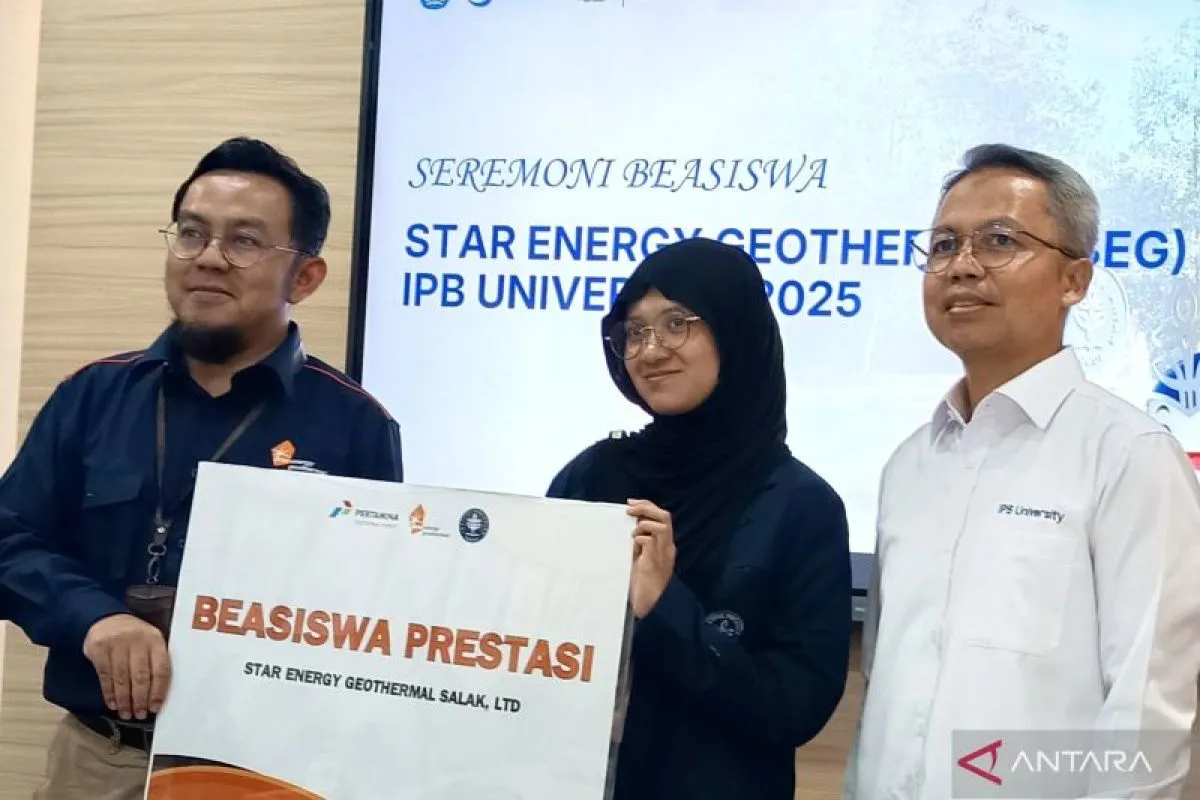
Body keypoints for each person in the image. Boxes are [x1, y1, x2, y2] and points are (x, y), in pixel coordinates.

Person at [0, 137, 404, 800]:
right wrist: (94, 617)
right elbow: (9, 539)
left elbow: (375, 611)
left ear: (304, 277)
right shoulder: (92, 395)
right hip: (98, 759)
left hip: (257, 770)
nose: (209, 257)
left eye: (245, 241)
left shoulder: (356, 426)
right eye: (191, 233)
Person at [844, 144, 1200, 799]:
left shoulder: (1129, 455)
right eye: (944, 244)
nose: (962, 265)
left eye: (1000, 240)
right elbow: (884, 693)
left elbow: (1150, 713)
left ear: (1075, 280)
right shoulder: (909, 464)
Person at [547, 237, 853, 799]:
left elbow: (795, 707)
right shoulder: (591, 477)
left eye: (676, 324)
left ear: (735, 331)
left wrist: (665, 607)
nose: (649, 351)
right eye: (634, 331)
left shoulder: (801, 506)